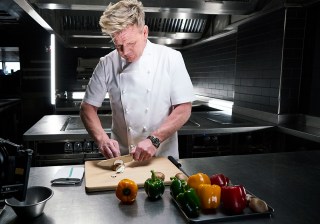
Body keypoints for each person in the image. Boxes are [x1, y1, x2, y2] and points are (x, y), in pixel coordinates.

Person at [80, 0, 194, 162]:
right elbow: (87, 108)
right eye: (118, 46)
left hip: (162, 157)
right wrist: (102, 139)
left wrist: (155, 139)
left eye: (131, 43)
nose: (125, 52)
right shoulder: (107, 63)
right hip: (123, 158)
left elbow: (184, 108)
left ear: (145, 32)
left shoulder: (171, 58)